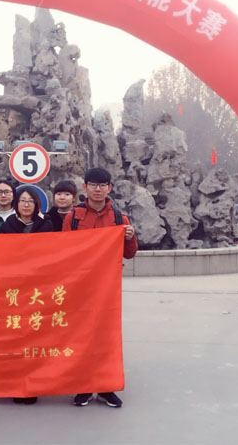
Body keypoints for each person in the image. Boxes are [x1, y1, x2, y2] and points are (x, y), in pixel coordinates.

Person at [62, 167, 137, 408]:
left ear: (109, 188)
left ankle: (106, 386)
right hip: (80, 287)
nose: (97, 189)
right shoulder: (73, 217)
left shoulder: (119, 218)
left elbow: (129, 253)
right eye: (93, 185)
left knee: (106, 337)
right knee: (81, 336)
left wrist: (130, 238)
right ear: (85, 187)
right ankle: (84, 385)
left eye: (102, 185)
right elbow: (63, 251)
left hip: (107, 288)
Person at [0, 186, 53, 405]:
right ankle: (14, 383)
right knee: (15, 337)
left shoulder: (46, 225)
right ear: (16, 204)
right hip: (14, 289)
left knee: (35, 337)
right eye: (22, 200)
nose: (26, 204)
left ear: (37, 204)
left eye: (30, 201)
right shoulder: (8, 225)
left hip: (38, 289)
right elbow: (1, 255)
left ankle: (33, 384)